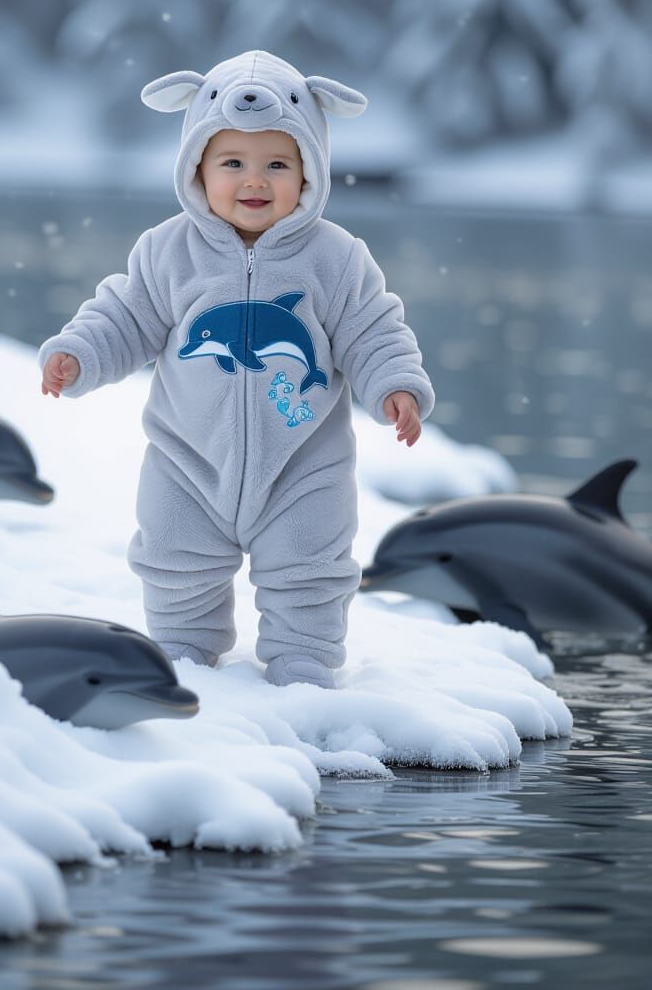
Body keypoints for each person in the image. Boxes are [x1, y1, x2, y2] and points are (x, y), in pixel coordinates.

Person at [39, 50, 434, 689]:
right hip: (187, 457)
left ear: (310, 171)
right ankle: (183, 649)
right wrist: (79, 354)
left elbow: (373, 328)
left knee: (311, 565)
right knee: (172, 554)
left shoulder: (335, 258)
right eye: (233, 163)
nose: (255, 181)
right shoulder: (167, 251)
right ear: (197, 168)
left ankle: (303, 659)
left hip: (304, 459)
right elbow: (125, 316)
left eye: (278, 163)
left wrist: (394, 385)